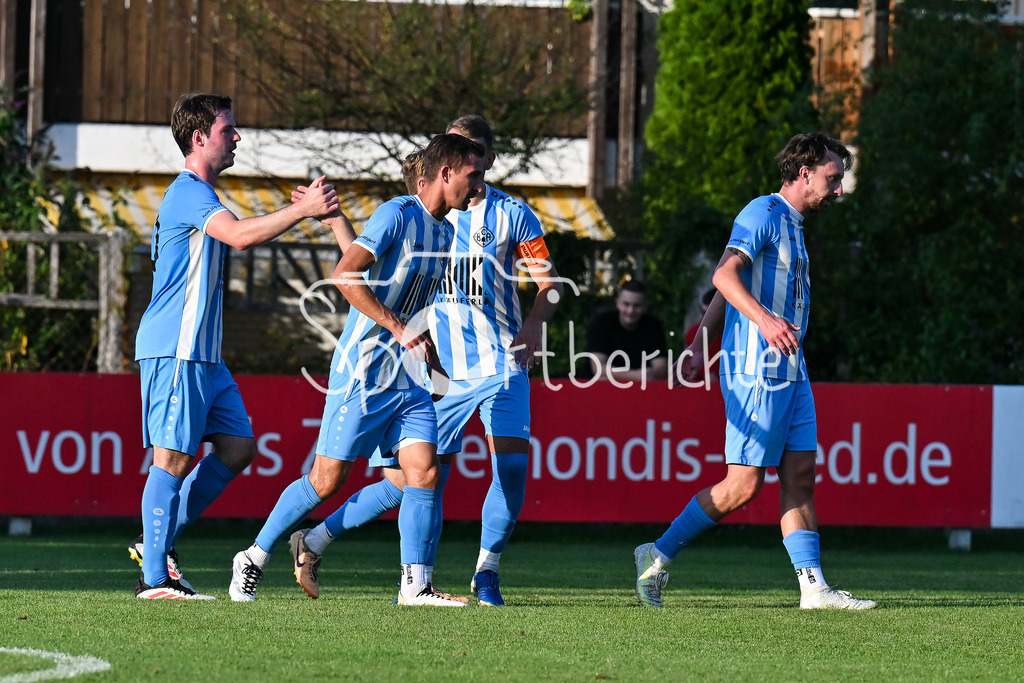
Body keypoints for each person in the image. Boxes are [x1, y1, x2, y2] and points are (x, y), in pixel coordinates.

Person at [287, 115, 564, 607]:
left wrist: (535, 326)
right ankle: (318, 539)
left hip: (502, 364)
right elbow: (366, 260)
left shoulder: (514, 215)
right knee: (406, 482)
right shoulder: (426, 209)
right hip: (438, 371)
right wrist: (333, 220)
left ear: (487, 158)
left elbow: (551, 285)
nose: (468, 167)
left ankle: (487, 571)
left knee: (512, 470)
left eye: (475, 153)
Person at [228, 133, 487, 606]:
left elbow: (395, 289)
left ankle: (415, 586)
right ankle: (253, 555)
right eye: (474, 176)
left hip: (407, 376)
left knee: (423, 473)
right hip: (364, 372)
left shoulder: (447, 232)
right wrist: (398, 327)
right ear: (446, 173)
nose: (479, 188)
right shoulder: (396, 214)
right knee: (326, 481)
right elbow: (347, 276)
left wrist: (424, 343)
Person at [634, 132, 877, 611]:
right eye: (833, 178)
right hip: (755, 370)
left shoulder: (795, 224)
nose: (839, 190)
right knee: (743, 486)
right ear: (804, 173)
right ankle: (656, 554)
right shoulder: (762, 213)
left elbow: (729, 291)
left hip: (792, 368)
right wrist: (761, 322)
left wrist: (700, 344)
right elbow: (723, 276)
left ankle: (814, 589)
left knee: (800, 475)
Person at [131, 92, 339, 599]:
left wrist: (296, 213)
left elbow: (240, 232)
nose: (238, 137)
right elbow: (240, 237)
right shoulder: (187, 192)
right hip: (177, 348)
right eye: (229, 129)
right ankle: (154, 578)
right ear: (200, 138)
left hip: (203, 354)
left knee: (238, 447)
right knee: (173, 458)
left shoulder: (202, 197)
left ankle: (155, 543)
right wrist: (305, 210)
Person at [584, 280, 668, 382]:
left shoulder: (654, 326)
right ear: (617, 303)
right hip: (600, 388)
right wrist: (635, 375)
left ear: (646, 306)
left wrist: (647, 374)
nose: (630, 311)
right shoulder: (601, 323)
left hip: (639, 388)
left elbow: (661, 368)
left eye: (637, 306)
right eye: (626, 304)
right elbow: (598, 368)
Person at [685, 287, 721, 381]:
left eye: (710, 314)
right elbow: (709, 376)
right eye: (703, 313)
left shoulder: (739, 332)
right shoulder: (696, 332)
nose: (704, 319)